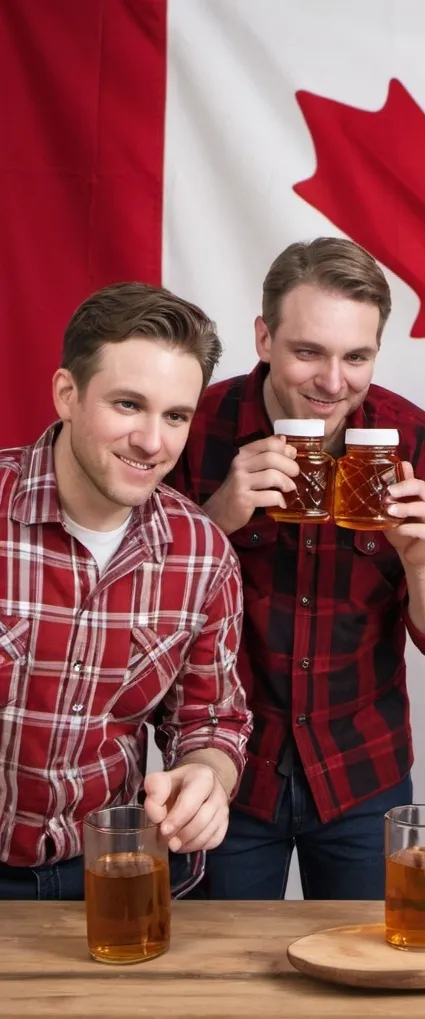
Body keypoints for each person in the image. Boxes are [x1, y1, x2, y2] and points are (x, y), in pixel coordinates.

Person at [169, 237, 425, 900]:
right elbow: (138, 611)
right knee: (221, 988)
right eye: (308, 351)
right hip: (224, 771)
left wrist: (419, 559)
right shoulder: (194, 428)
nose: (333, 382)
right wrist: (216, 516)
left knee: (371, 980)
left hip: (363, 774)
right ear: (264, 338)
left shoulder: (415, 442)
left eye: (356, 356)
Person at [0, 282, 251, 900]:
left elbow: (212, 719)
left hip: (116, 878)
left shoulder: (203, 556)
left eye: (175, 416)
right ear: (67, 394)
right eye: (128, 405)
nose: (152, 442)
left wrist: (206, 777)